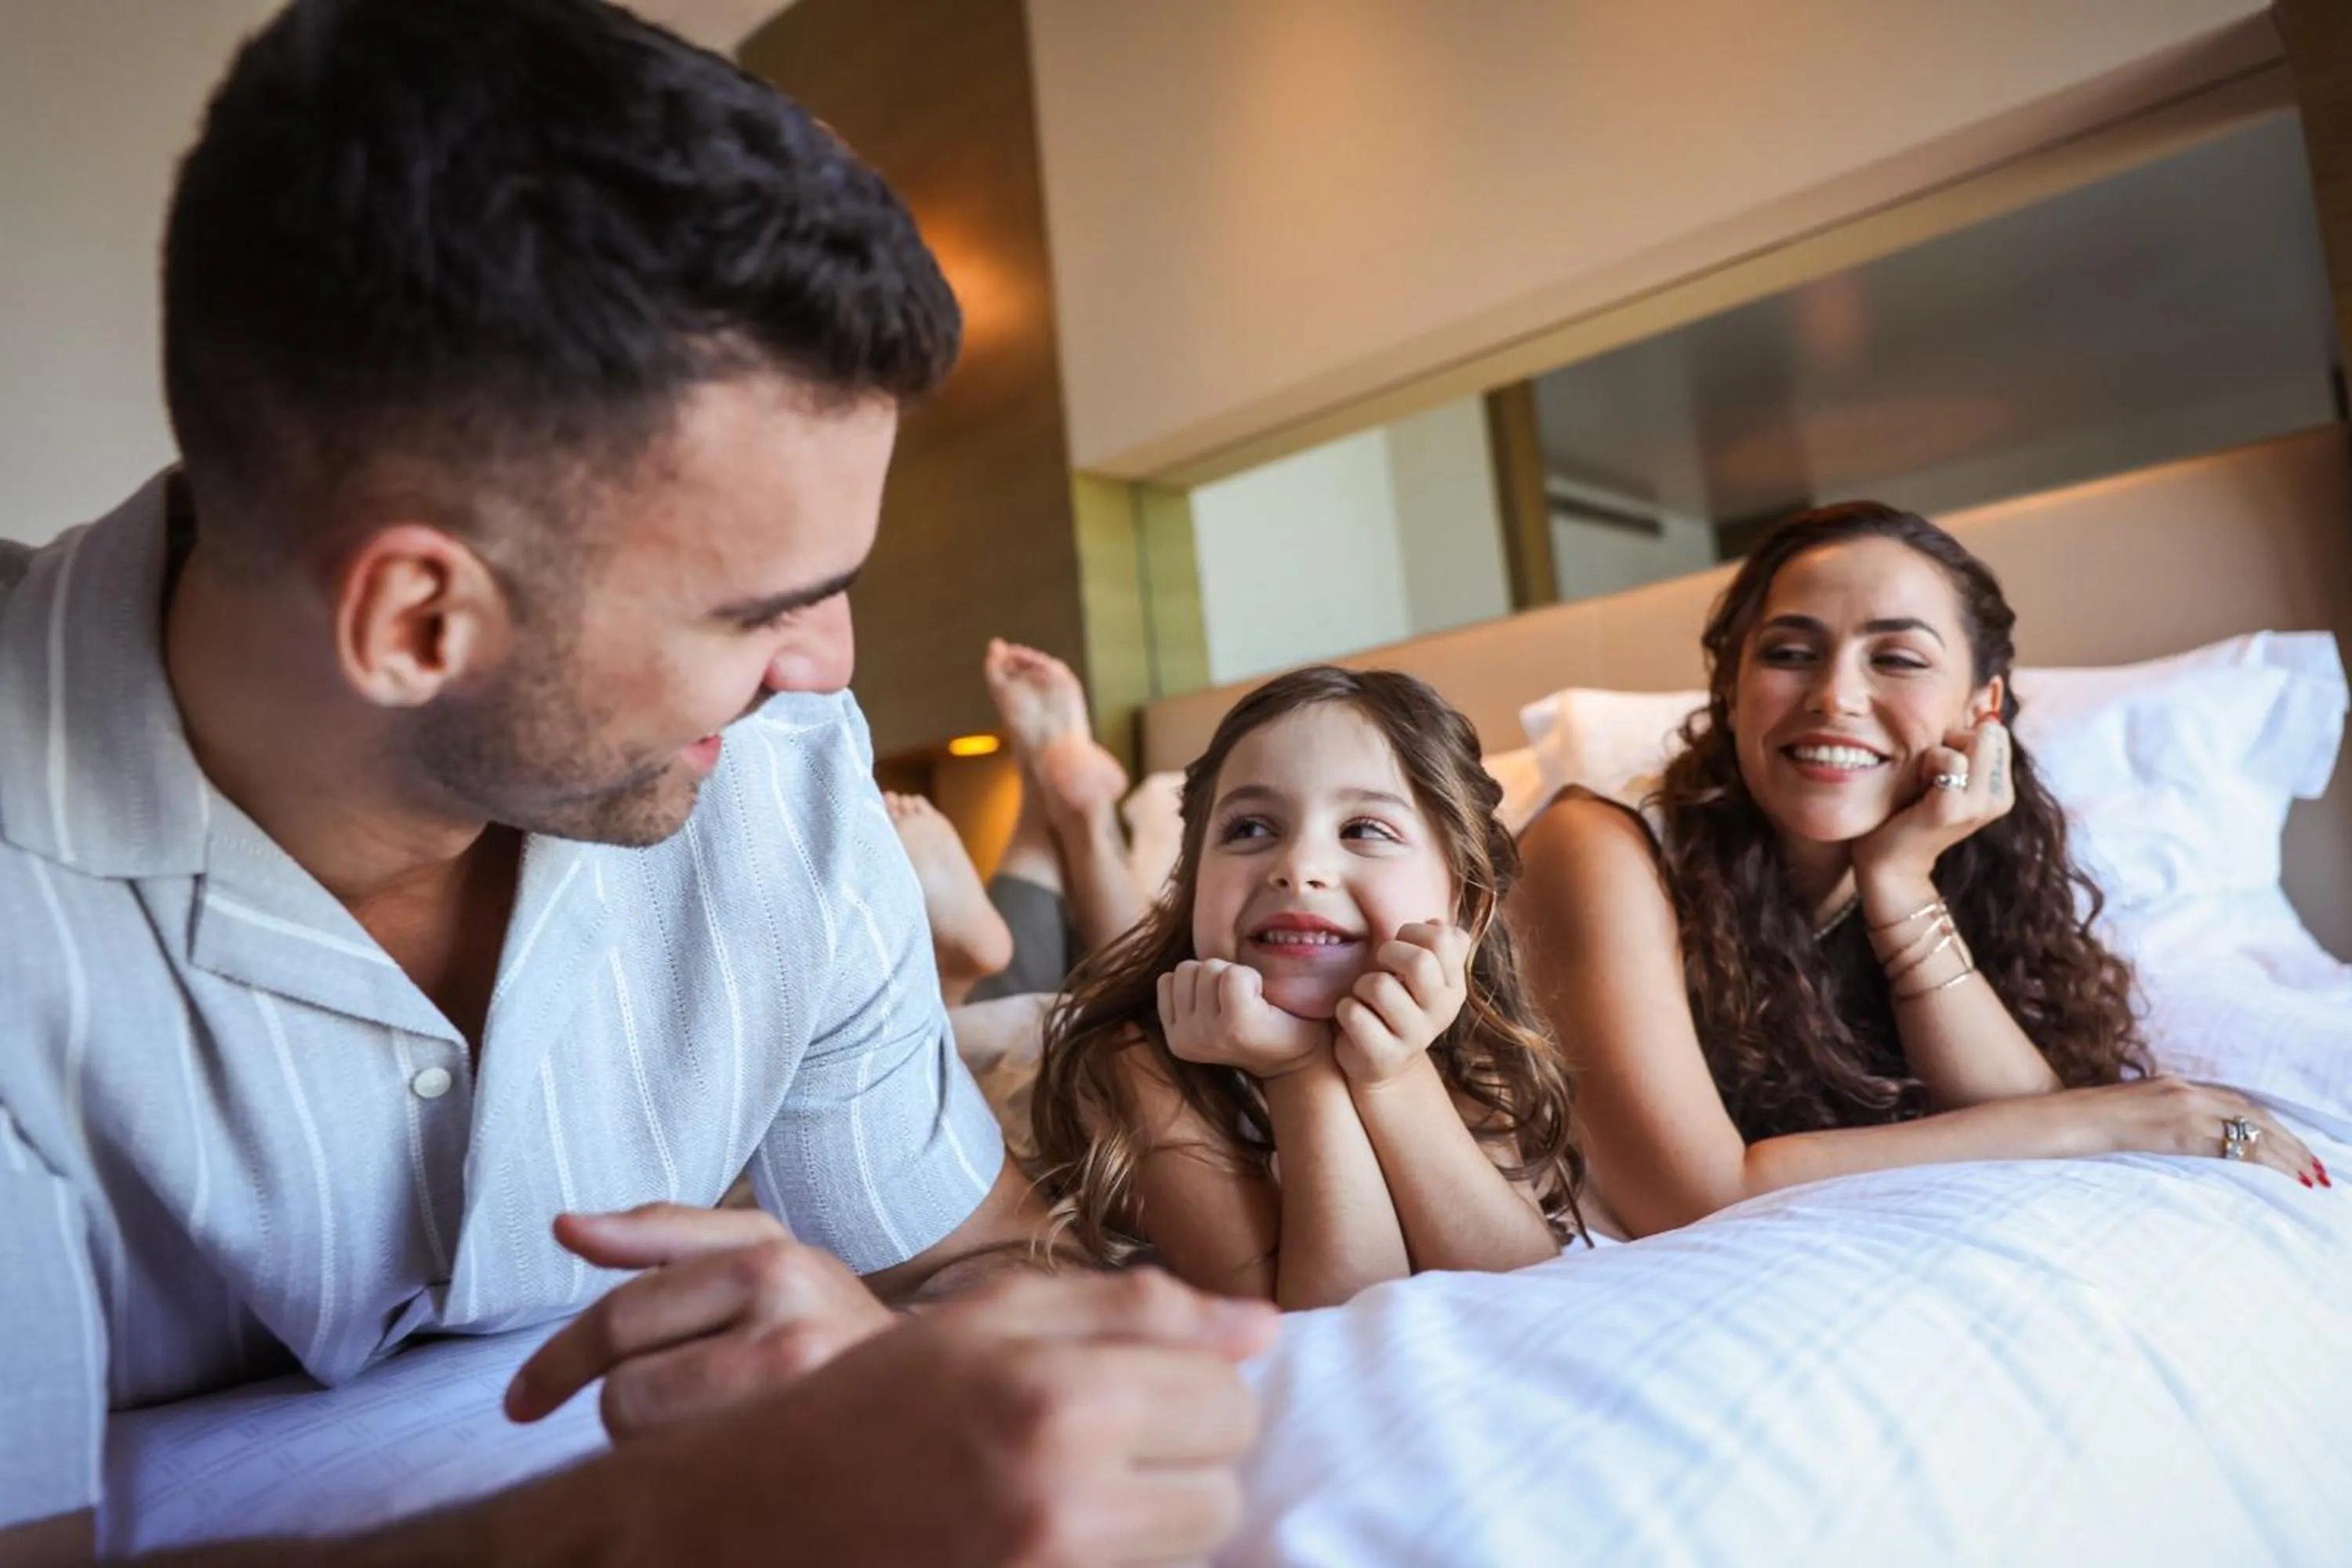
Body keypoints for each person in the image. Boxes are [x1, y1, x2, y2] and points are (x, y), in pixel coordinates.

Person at [0, 2, 1272, 1563]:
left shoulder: (779, 783)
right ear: (417, 619)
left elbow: (974, 1257)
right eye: (759, 607)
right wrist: (693, 1518)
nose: (826, 672)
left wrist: (935, 1352)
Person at [1508, 502, 2329, 1240]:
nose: (1835, 696)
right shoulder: (1594, 848)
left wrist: (1899, 880)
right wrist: (2096, 1121)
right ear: (1731, 691)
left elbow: (2017, 1114)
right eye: (1791, 652)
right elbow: (1692, 1194)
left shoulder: (1952, 876)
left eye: (1896, 658)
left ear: (1981, 708)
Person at [1029, 667, 1587, 1310]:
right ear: (1190, 882)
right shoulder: (1138, 1062)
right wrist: (1300, 1069)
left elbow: (1522, 1283)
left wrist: (1393, 1076)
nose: (1298, 868)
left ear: (1462, 899)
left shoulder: (1458, 1036)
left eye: (1364, 830)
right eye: (1250, 829)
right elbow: (1333, 1318)